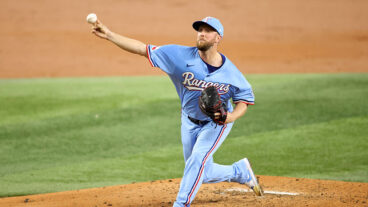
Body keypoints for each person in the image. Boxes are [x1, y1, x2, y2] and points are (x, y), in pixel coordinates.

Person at [91, 16, 263, 207]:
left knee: (197, 159)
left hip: (216, 123)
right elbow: (142, 48)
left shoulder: (231, 73)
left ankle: (181, 204)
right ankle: (239, 172)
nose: (202, 34)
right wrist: (109, 34)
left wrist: (231, 117)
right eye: (200, 30)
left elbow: (244, 100)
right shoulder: (178, 56)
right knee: (201, 171)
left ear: (218, 38)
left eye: (208, 31)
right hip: (188, 121)